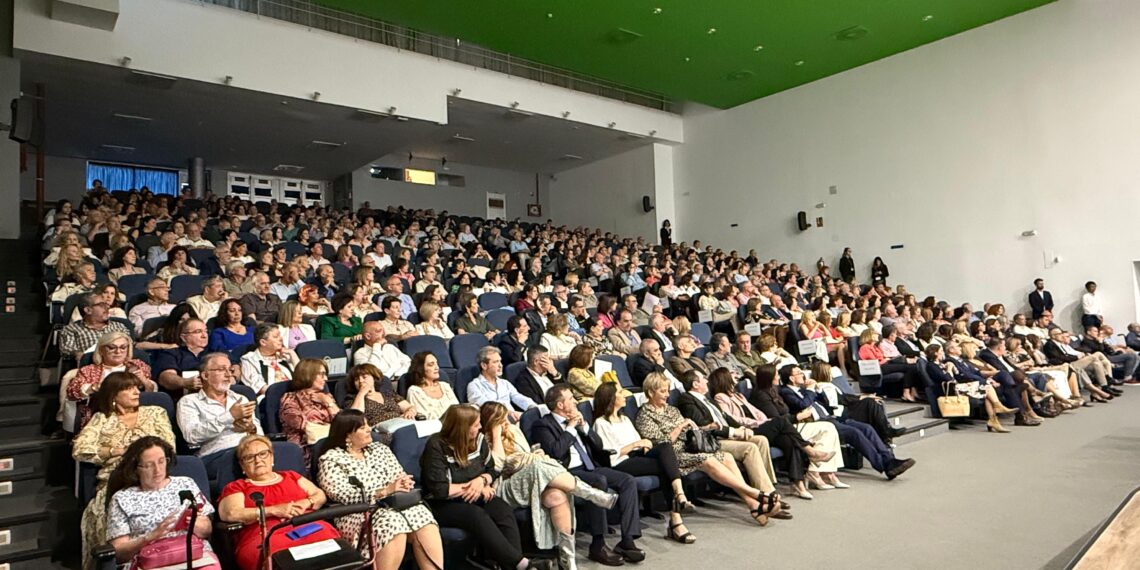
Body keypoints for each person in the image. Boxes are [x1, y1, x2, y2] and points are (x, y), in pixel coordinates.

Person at [482, 402, 623, 569]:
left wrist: (534, 454)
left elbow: (526, 454)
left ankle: (568, 560)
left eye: (506, 418)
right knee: (539, 465)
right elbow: (497, 466)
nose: (506, 423)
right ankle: (591, 494)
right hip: (504, 486)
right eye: (501, 420)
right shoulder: (483, 439)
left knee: (557, 495)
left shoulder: (513, 431)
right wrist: (496, 435)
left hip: (530, 477)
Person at [418, 405, 554, 570]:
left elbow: (492, 469)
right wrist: (473, 487)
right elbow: (439, 489)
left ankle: (512, 566)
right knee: (476, 515)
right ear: (462, 428)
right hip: (442, 503)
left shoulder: (479, 440)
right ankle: (522, 565)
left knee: (502, 509)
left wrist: (482, 480)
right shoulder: (436, 445)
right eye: (476, 425)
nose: (480, 427)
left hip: (476, 492)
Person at [635, 374, 777, 524]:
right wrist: (680, 426)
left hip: (690, 447)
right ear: (650, 392)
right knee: (708, 459)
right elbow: (662, 444)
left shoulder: (671, 410)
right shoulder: (644, 416)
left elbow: (689, 431)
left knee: (726, 457)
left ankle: (752, 503)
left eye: (668, 391)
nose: (668, 395)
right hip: (673, 455)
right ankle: (753, 494)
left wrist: (690, 427)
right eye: (663, 391)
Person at [531, 385, 645, 565]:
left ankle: (627, 540)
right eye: (570, 399)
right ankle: (598, 545)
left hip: (590, 467)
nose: (575, 401)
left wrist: (583, 426)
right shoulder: (543, 425)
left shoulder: (578, 420)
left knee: (627, 481)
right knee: (599, 481)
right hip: (568, 473)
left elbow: (598, 446)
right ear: (560, 405)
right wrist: (569, 428)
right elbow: (556, 452)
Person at [72, 373, 175, 570]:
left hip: (154, 477)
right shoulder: (102, 419)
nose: (137, 392)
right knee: (102, 513)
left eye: (137, 387)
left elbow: (169, 446)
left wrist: (138, 453)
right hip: (115, 482)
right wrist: (112, 451)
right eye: (129, 388)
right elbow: (79, 449)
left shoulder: (155, 412)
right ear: (113, 395)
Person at [317, 411, 443, 569]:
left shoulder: (380, 449)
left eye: (368, 425)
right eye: (363, 428)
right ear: (347, 435)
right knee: (392, 523)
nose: (369, 429)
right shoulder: (331, 459)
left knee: (424, 517)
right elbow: (342, 494)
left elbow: (399, 474)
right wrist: (384, 491)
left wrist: (403, 483)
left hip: (394, 505)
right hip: (357, 512)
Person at [591, 383, 697, 544]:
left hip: (638, 455)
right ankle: (677, 516)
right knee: (666, 468)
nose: (625, 395)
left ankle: (679, 501)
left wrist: (644, 443)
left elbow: (638, 440)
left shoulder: (625, 419)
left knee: (665, 447)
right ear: (611, 398)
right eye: (620, 393)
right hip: (621, 462)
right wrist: (634, 445)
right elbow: (609, 454)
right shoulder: (600, 423)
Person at [675, 369, 792, 510]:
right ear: (695, 384)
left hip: (727, 435)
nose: (707, 381)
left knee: (760, 440)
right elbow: (702, 424)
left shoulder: (708, 399)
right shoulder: (687, 399)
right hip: (714, 440)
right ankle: (766, 495)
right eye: (703, 379)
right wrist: (733, 432)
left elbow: (725, 418)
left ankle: (766, 487)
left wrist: (741, 428)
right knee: (750, 448)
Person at [218, 435, 339, 570]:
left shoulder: (291, 476)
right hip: (266, 536)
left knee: (333, 548)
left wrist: (307, 502)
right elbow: (231, 513)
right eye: (249, 457)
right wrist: (273, 510)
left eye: (263, 454)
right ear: (242, 465)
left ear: (272, 457)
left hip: (308, 526)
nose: (258, 460)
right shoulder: (237, 486)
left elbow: (319, 495)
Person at [779, 364, 916, 481]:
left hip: (831, 417)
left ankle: (889, 459)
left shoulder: (805, 388)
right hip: (818, 423)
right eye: (799, 373)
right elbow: (802, 404)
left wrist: (818, 390)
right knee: (854, 433)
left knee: (866, 428)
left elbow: (826, 401)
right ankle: (884, 466)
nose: (803, 375)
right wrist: (811, 390)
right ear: (791, 378)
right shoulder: (786, 392)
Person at [105, 437, 218, 568]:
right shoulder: (122, 499)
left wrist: (198, 526)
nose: (157, 470)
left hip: (193, 554)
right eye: (149, 465)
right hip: (150, 561)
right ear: (136, 468)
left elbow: (207, 530)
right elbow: (119, 552)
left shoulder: (186, 483)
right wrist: (149, 537)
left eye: (161, 461)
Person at [178, 353, 261, 475]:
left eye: (230, 370)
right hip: (217, 456)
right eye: (222, 370)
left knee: (282, 451)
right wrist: (229, 417)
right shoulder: (189, 402)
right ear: (205, 375)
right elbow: (191, 435)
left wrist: (251, 427)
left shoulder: (240, 398)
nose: (229, 375)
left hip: (250, 449)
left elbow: (260, 433)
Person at [66, 331, 155, 432]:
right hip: (100, 416)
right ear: (101, 350)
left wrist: (143, 380)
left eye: (123, 347)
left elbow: (151, 393)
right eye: (112, 347)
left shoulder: (138, 366)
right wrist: (94, 387)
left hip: (135, 414)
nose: (118, 351)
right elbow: (72, 392)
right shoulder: (88, 370)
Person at [279, 358, 340, 463]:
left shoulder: (327, 397)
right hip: (305, 446)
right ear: (308, 374)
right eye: (322, 374)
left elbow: (342, 422)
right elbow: (301, 424)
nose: (325, 378)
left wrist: (329, 403)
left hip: (331, 443)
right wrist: (332, 429)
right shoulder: (290, 398)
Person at [343, 363, 417, 430]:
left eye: (364, 377)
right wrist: (362, 393)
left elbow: (409, 407)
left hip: (401, 425)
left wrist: (410, 412)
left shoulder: (388, 394)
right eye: (356, 379)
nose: (361, 381)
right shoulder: (352, 399)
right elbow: (355, 419)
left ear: (374, 378)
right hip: (380, 431)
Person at [60, 292, 131, 361]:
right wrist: (77, 354)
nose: (107, 307)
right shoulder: (72, 329)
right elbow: (67, 349)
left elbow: (130, 345)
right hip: (91, 366)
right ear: (88, 310)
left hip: (120, 367)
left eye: (106, 304)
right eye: (101, 305)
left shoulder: (118, 326)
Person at [151, 318, 210, 393]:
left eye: (206, 331)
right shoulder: (171, 354)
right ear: (184, 337)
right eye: (198, 332)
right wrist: (184, 382)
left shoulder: (216, 353)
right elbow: (165, 377)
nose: (204, 335)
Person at [239, 323, 299, 396]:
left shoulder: (285, 355)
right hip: (271, 398)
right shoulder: (249, 359)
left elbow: (304, 377)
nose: (281, 338)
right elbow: (260, 387)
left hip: (295, 394)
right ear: (263, 342)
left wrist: (292, 353)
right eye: (276, 336)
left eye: (280, 335)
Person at [404, 352, 460, 420]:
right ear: (420, 368)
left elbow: (458, 409)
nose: (437, 367)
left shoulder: (445, 386)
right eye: (431, 365)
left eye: (437, 364)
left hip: (456, 425)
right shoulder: (415, 391)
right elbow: (424, 418)